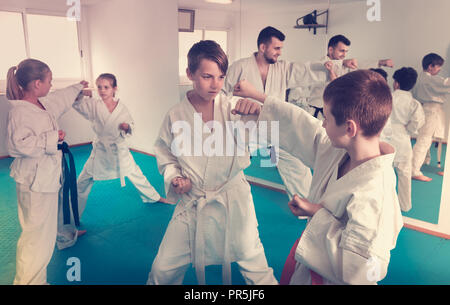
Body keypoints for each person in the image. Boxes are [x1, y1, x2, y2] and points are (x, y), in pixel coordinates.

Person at [232, 69, 403, 284]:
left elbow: (360, 270)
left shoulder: (377, 191)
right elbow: (304, 126)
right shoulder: (341, 150)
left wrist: (316, 213)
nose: (322, 123)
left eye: (327, 118)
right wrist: (261, 110)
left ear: (349, 127)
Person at [147, 40, 277, 285]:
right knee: (162, 269)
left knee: (256, 266)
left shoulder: (233, 107)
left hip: (233, 199)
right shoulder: (175, 115)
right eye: (207, 76)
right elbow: (165, 153)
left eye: (220, 77)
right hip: (194, 201)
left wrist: (256, 112)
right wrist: (175, 177)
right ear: (190, 74)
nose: (215, 84)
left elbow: (262, 138)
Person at [6, 58, 88, 284]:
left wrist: (78, 86)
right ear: (36, 84)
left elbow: (58, 99)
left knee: (42, 236)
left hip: (45, 180)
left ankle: (36, 281)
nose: (51, 85)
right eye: (49, 81)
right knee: (36, 239)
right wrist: (53, 138)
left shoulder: (41, 104)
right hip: (34, 183)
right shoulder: (20, 112)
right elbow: (17, 146)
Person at [65, 73, 171, 247]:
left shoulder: (121, 108)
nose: (102, 90)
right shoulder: (93, 105)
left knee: (136, 174)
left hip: (118, 149)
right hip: (101, 151)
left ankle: (153, 197)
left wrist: (126, 127)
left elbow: (131, 125)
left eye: (106, 87)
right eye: (99, 87)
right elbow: (77, 104)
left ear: (115, 89)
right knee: (82, 183)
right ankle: (72, 218)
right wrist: (79, 91)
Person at [224, 26, 313, 201]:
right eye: (277, 48)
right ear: (263, 47)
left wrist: (337, 66)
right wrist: (236, 102)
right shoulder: (239, 67)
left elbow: (307, 70)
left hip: (273, 125)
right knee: (229, 165)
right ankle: (224, 200)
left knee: (296, 162)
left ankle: (306, 205)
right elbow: (221, 95)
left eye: (281, 48)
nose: (280, 52)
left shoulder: (283, 68)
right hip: (246, 128)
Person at [306, 34, 394, 120]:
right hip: (316, 113)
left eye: (346, 51)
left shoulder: (343, 64)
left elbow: (359, 65)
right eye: (341, 51)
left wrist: (380, 62)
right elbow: (334, 81)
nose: (344, 54)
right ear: (330, 50)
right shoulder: (319, 64)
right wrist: (341, 64)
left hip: (332, 113)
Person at [390, 67, 425, 212]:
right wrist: (409, 129)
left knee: (386, 174)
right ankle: (405, 206)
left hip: (384, 139)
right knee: (404, 174)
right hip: (403, 138)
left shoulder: (387, 98)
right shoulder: (414, 103)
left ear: (396, 83)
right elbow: (418, 121)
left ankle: (386, 204)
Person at [411, 53, 450, 181]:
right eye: (438, 67)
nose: (439, 70)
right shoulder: (428, 79)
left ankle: (419, 164)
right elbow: (446, 83)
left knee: (424, 140)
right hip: (431, 111)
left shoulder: (420, 78)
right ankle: (414, 170)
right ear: (430, 66)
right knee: (424, 140)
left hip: (427, 110)